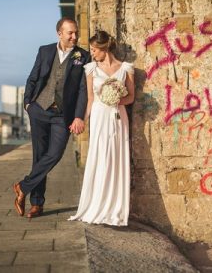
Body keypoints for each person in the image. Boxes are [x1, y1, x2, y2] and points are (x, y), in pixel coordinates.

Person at [13, 18, 90, 218]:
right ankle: (37, 204)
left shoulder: (83, 56)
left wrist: (79, 116)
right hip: (39, 109)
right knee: (39, 156)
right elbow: (33, 77)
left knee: (54, 154)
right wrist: (28, 104)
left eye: (76, 33)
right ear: (59, 33)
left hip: (62, 115)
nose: (74, 36)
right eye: (70, 33)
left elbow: (83, 90)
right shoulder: (45, 51)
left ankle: (23, 186)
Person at [68, 30, 135, 226]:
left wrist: (116, 99)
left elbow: (131, 97)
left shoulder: (126, 69)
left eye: (94, 50)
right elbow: (90, 98)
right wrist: (82, 119)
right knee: (100, 157)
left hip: (117, 115)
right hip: (98, 115)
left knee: (116, 158)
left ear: (104, 49)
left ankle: (115, 208)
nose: (92, 53)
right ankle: (96, 204)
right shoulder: (90, 68)